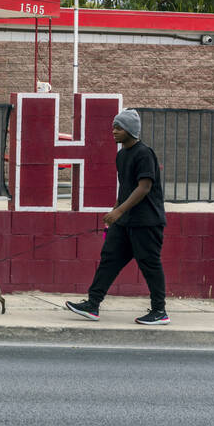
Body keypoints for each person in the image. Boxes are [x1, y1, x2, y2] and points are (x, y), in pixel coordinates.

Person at [65, 108, 169, 325]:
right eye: (113, 126)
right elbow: (126, 188)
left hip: (146, 222)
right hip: (124, 222)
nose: (113, 131)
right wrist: (114, 212)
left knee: (149, 264)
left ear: (131, 131)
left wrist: (119, 211)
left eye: (118, 127)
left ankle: (160, 311)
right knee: (109, 259)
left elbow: (144, 187)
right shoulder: (121, 155)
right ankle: (92, 305)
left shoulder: (144, 153)